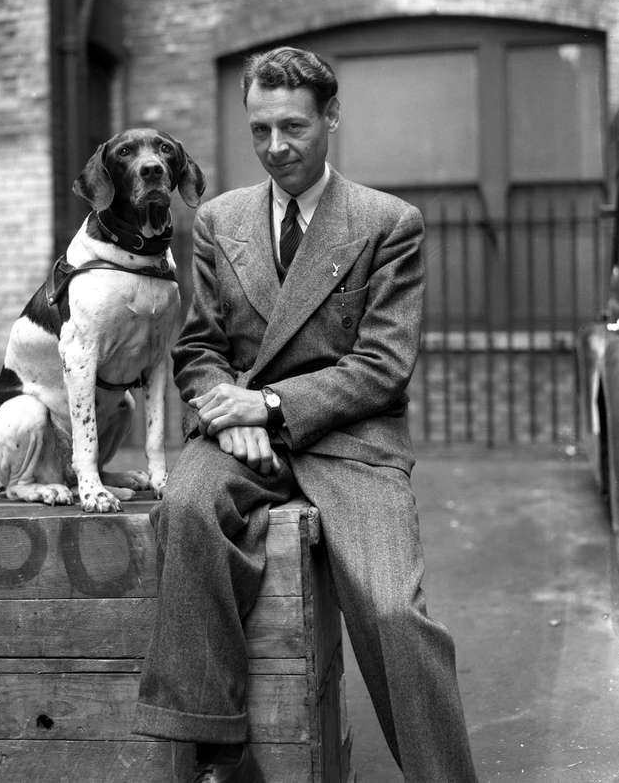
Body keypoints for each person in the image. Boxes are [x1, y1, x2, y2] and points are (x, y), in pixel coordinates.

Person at [134, 46, 478, 783]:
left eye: (292, 127)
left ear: (331, 117)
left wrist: (268, 402)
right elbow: (196, 349)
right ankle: (221, 752)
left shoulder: (388, 223)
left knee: (391, 612)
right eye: (259, 130)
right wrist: (232, 415)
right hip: (241, 435)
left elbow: (382, 368)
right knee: (186, 507)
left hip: (349, 439)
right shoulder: (220, 220)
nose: (275, 148)